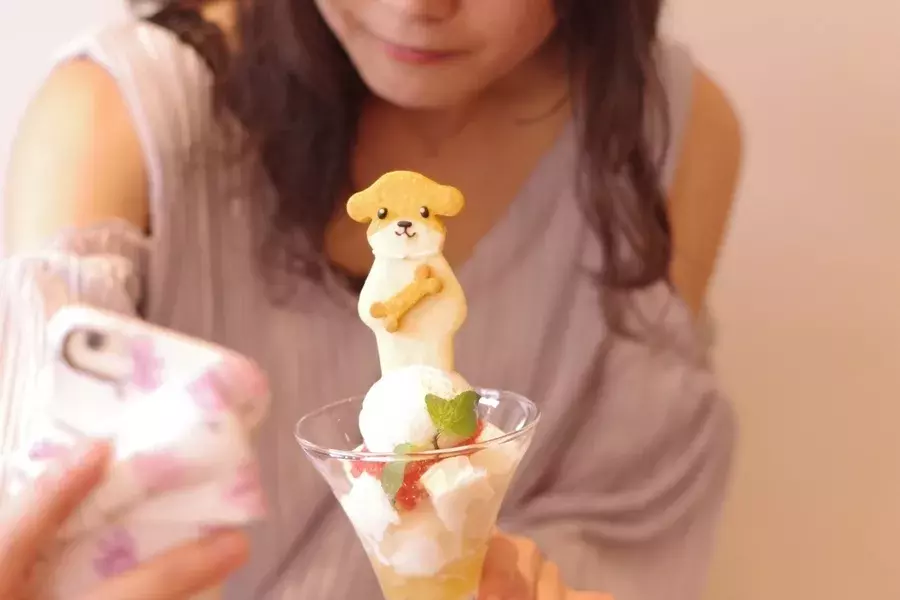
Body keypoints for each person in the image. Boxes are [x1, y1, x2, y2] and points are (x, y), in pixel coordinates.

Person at [0, 0, 742, 598]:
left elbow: (623, 525)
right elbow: (45, 512)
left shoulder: (660, 139)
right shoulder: (115, 120)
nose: (418, 7)